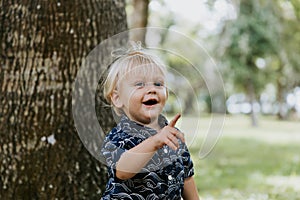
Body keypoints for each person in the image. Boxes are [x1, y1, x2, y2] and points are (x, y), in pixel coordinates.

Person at [100, 42, 199, 200]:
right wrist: (155, 142)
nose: (152, 89)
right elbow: (122, 170)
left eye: (158, 84)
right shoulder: (119, 136)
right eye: (139, 84)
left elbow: (186, 176)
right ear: (118, 98)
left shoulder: (173, 136)